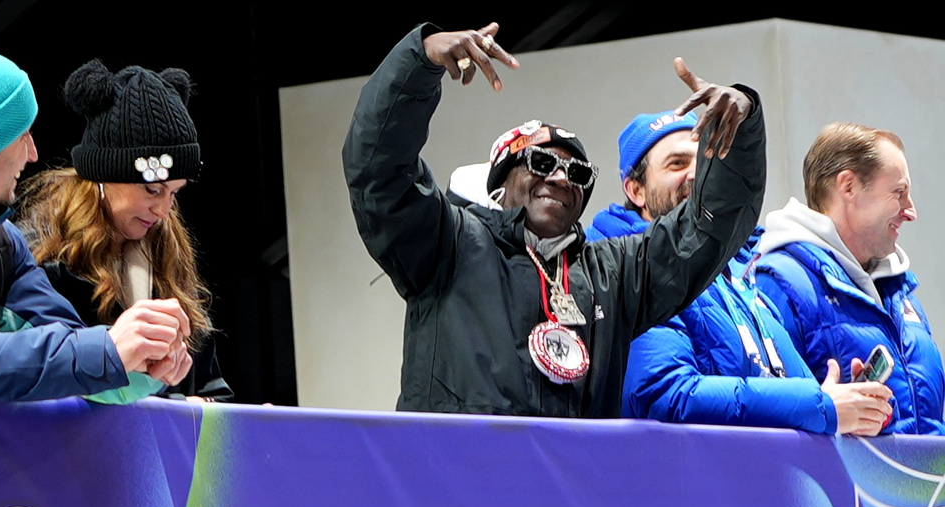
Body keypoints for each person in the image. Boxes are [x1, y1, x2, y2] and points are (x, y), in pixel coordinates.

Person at [343, 22, 765, 417]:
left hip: (572, 492)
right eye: (542, 162)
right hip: (458, 489)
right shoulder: (447, 243)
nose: (562, 177)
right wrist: (419, 61)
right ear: (501, 183)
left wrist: (741, 128)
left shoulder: (614, 274)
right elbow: (378, 171)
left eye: (578, 172)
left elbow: (708, 230)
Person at [592, 112, 893, 435]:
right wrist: (819, 405)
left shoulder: (740, 266)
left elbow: (781, 382)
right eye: (677, 164)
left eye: (705, 161)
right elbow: (665, 394)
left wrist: (850, 401)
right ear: (635, 190)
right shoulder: (631, 270)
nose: (696, 174)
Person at [0, 45, 192, 404]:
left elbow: (69, 356)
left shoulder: (0, 244)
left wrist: (144, 361)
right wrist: (108, 351)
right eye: (22, 135)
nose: (33, 153)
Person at [19, 60, 230, 401]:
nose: (163, 211)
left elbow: (207, 384)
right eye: (152, 190)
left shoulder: (169, 256)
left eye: (174, 193)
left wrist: (207, 411)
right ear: (105, 174)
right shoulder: (41, 260)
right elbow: (40, 379)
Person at [756, 123, 944, 434]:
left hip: (925, 483)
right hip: (839, 483)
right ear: (849, 187)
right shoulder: (779, 283)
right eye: (899, 193)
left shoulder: (901, 292)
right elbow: (775, 421)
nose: (910, 211)